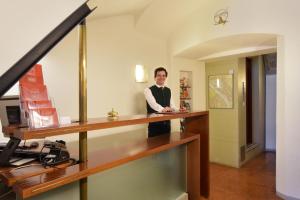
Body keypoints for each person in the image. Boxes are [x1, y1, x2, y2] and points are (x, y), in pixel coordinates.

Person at [144, 67, 177, 137]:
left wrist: (177, 109)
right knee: (154, 146)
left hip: (167, 124)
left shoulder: (169, 90)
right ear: (155, 77)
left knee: (167, 146)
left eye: (163, 75)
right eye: (159, 75)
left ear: (166, 77)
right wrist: (163, 109)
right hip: (154, 125)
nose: (161, 77)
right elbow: (153, 104)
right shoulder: (148, 90)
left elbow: (172, 105)